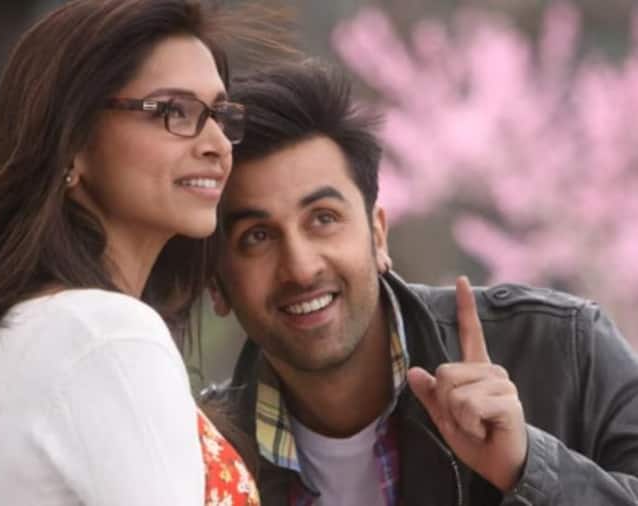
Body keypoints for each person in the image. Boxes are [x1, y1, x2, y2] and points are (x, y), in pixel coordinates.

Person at [0, 1, 270, 505]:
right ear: (72, 141)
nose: (217, 143)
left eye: (220, 114)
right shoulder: (104, 333)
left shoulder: (46, 324)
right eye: (173, 111)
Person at [206, 60, 638, 505]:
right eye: (256, 237)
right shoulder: (201, 457)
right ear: (215, 283)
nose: (300, 268)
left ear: (378, 235)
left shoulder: (564, 347)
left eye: (323, 219)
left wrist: (527, 468)